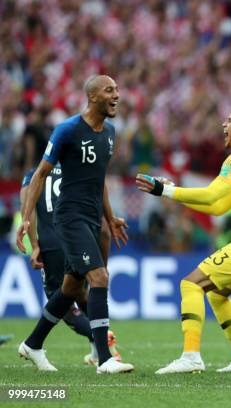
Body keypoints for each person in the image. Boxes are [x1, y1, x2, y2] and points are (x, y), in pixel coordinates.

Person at [136, 105, 231, 374]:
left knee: (190, 285)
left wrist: (165, 191)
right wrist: (171, 192)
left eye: (230, 121)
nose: (224, 126)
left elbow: (210, 196)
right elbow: (217, 206)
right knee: (217, 294)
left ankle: (191, 355)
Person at [16, 75, 133, 374]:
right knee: (99, 277)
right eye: (110, 90)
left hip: (93, 217)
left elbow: (100, 179)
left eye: (117, 90)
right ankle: (105, 358)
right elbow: (40, 174)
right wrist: (27, 218)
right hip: (70, 217)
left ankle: (33, 344)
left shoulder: (109, 132)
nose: (117, 95)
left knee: (70, 288)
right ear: (92, 96)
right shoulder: (67, 130)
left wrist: (110, 216)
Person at [20, 165, 121, 365]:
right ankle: (100, 348)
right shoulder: (78, 169)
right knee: (78, 292)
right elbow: (103, 228)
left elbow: (26, 209)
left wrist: (35, 246)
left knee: (64, 300)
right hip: (78, 239)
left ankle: (99, 341)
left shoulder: (34, 174)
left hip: (51, 243)